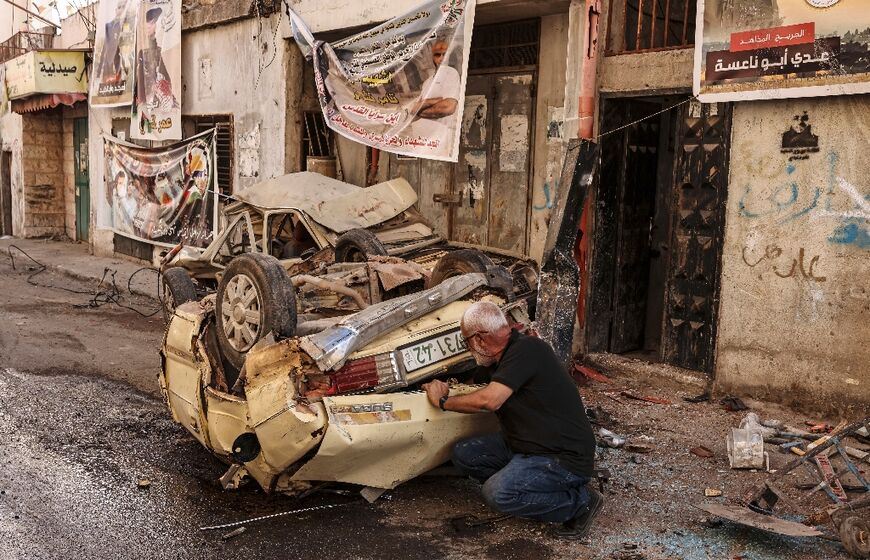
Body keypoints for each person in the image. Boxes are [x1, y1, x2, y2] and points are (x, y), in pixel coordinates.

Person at [422, 302, 603, 539]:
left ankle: (581, 502)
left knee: (498, 494)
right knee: (464, 453)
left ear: (479, 340)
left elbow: (490, 401)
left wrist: (443, 402)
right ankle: (527, 489)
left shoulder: (528, 350)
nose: (468, 349)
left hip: (563, 457)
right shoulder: (500, 360)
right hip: (526, 446)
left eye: (467, 342)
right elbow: (473, 386)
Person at [408, 38, 461, 151]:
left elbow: (447, 108)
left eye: (444, 54)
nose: (441, 58)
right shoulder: (428, 81)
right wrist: (434, 101)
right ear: (432, 57)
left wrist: (421, 107)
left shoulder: (451, 73)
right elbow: (413, 110)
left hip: (438, 141)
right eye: (437, 55)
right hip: (419, 141)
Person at [135, 7, 178, 117]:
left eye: (153, 22)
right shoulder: (142, 53)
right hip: (147, 105)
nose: (149, 26)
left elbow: (166, 81)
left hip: (160, 107)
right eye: (148, 22)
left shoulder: (163, 52)